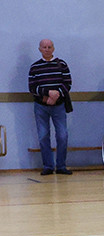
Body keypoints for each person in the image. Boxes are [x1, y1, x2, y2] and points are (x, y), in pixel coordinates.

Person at [29, 39, 72, 175]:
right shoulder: (35, 67)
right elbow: (32, 87)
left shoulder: (62, 64)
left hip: (58, 106)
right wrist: (48, 94)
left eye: (49, 47)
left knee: (62, 135)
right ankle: (48, 166)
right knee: (43, 136)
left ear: (53, 48)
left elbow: (68, 83)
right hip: (41, 106)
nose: (47, 49)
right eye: (44, 47)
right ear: (39, 49)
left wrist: (57, 94)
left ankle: (61, 166)